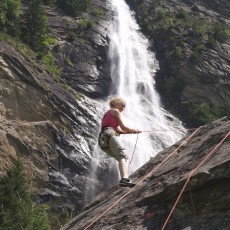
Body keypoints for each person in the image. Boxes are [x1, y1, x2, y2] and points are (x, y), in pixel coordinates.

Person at [98, 97, 141, 187]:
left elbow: (120, 130)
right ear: (116, 103)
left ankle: (124, 176)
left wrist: (131, 132)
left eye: (125, 107)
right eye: (123, 105)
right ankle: (124, 179)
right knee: (122, 156)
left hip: (103, 140)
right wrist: (134, 130)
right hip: (110, 134)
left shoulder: (107, 115)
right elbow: (124, 127)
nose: (123, 108)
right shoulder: (115, 111)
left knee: (122, 158)